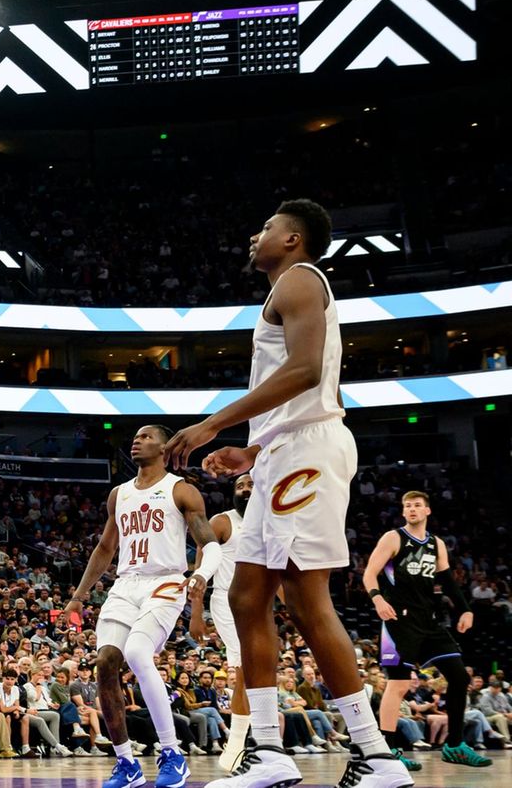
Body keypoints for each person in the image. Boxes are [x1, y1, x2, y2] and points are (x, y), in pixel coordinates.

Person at [165, 200, 415, 788]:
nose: (256, 234)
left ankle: (375, 755)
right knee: (248, 597)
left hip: (307, 451)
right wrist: (254, 451)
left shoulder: (300, 281)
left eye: (268, 228)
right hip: (287, 452)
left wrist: (214, 424)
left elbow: (305, 371)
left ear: (293, 240)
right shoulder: (290, 289)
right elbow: (302, 388)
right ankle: (271, 752)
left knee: (305, 599)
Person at [65, 425, 215, 788]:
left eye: (147, 436)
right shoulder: (119, 494)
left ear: (166, 447)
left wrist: (202, 575)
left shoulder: (181, 489)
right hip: (126, 584)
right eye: (135, 436)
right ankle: (127, 764)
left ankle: (173, 754)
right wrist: (79, 595)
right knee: (104, 664)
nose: (137, 440)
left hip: (166, 580)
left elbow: (209, 542)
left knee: (137, 652)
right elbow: (105, 548)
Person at [364, 490, 489, 768]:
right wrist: (378, 599)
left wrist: (465, 609)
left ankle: (455, 745)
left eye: (417, 506)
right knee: (398, 685)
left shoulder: (436, 544)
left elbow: (448, 581)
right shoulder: (393, 538)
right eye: (407, 506)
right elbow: (369, 573)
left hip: (428, 621)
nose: (411, 510)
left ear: (427, 511)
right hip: (399, 620)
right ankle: (388, 750)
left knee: (458, 677)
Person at [189, 472, 254, 772]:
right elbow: (201, 565)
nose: (245, 490)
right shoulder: (222, 522)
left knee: (255, 674)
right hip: (227, 601)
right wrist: (196, 613)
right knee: (247, 671)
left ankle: (246, 744)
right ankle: (237, 746)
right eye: (240, 486)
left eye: (251, 484)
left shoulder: (270, 520)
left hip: (259, 603)